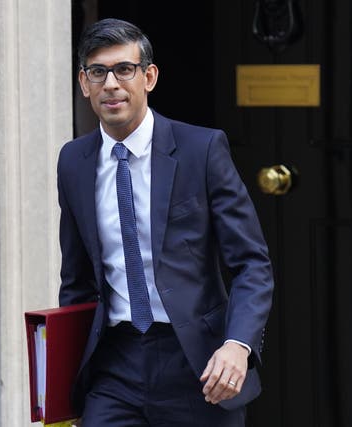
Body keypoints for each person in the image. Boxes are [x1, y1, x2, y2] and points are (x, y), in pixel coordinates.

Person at [57, 18, 274, 426]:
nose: (112, 84)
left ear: (149, 77)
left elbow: (252, 264)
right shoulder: (73, 161)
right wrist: (66, 384)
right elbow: (77, 280)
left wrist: (237, 345)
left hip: (197, 362)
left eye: (125, 69)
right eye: (98, 72)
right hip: (113, 364)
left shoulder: (202, 150)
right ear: (84, 83)